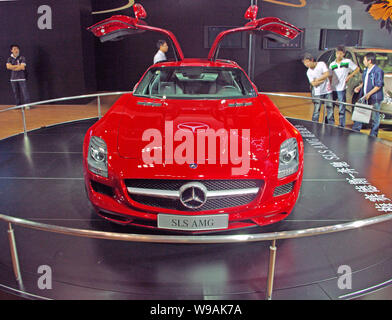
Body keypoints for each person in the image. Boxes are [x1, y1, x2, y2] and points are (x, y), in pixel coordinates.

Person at [352, 52, 384, 137]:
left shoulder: (378, 71)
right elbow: (365, 82)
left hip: (374, 98)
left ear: (369, 61)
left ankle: (373, 134)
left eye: (364, 60)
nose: (363, 61)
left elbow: (378, 85)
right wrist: (359, 87)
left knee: (375, 117)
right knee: (360, 113)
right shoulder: (366, 70)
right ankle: (356, 130)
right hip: (365, 96)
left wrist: (369, 94)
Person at [329, 45, 359, 127]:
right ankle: (330, 123)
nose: (338, 55)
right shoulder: (332, 64)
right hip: (333, 88)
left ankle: (341, 125)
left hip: (341, 88)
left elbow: (357, 69)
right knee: (330, 106)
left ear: (343, 54)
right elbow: (330, 76)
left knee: (342, 107)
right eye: (337, 53)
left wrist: (349, 76)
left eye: (340, 53)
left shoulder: (347, 62)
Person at [302, 53, 334, 124]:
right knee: (316, 109)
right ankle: (314, 124)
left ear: (312, 60)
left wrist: (317, 79)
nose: (306, 64)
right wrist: (322, 79)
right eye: (305, 63)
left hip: (327, 90)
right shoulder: (309, 72)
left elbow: (327, 74)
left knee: (330, 108)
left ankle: (331, 124)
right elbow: (313, 83)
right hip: (317, 92)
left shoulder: (321, 64)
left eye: (307, 62)